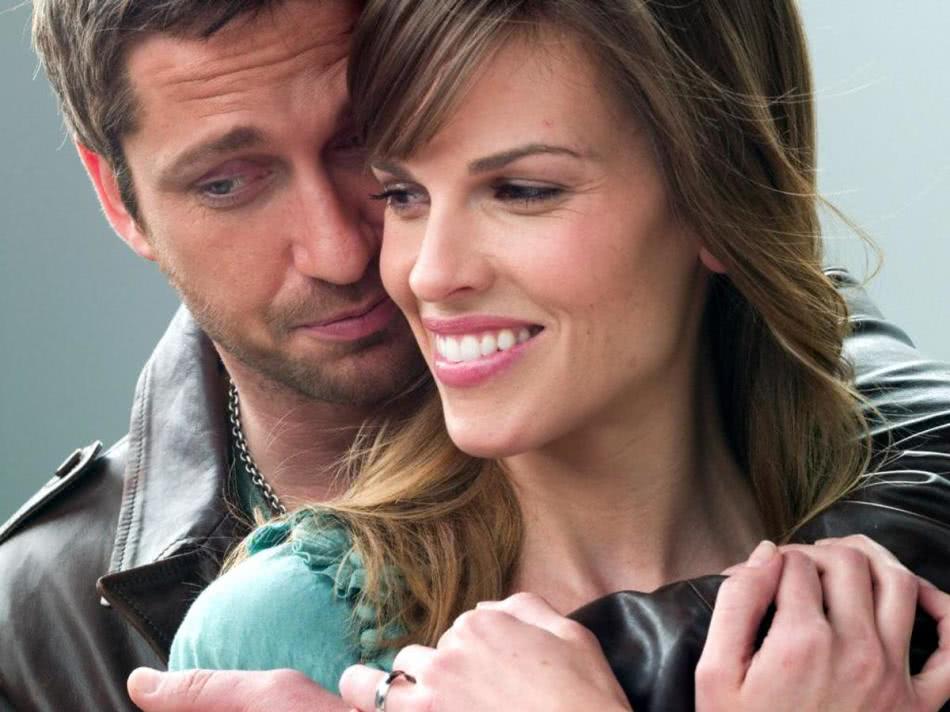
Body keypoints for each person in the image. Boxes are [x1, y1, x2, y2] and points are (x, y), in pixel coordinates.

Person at [165, 1, 950, 711]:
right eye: (404, 195)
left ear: (717, 200)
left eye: (522, 191)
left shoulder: (910, 569)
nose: (430, 272)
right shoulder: (285, 632)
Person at [0, 1, 425, 710]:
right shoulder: (36, 627)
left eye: (362, 137)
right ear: (118, 198)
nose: (340, 251)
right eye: (227, 182)